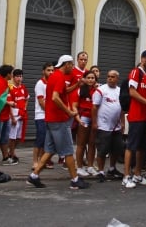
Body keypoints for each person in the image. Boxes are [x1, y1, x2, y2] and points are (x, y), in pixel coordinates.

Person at [27, 54, 89, 190]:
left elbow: (63, 91)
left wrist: (77, 84)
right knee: (67, 150)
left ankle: (34, 176)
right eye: (71, 65)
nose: (72, 67)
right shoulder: (60, 77)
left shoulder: (54, 76)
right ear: (66, 64)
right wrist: (68, 111)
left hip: (51, 119)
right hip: (59, 120)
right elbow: (55, 97)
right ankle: (75, 180)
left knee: (49, 150)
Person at [121, 49, 146, 189]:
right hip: (136, 115)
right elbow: (132, 92)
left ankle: (137, 174)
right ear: (143, 59)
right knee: (131, 146)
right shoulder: (136, 72)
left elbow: (145, 94)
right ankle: (126, 177)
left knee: (142, 147)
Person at [93, 69, 125, 181]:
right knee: (102, 149)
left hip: (116, 126)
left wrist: (123, 123)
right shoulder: (101, 90)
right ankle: (101, 171)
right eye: (108, 76)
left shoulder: (120, 91)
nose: (110, 78)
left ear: (117, 78)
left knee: (116, 149)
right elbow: (95, 107)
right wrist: (95, 122)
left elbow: (121, 109)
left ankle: (112, 168)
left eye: (112, 77)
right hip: (103, 126)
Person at [74, 70, 98, 177]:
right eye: (88, 78)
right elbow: (74, 105)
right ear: (84, 79)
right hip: (84, 118)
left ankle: (90, 166)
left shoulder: (98, 90)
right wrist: (78, 119)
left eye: (92, 78)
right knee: (81, 144)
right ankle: (79, 167)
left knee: (92, 144)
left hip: (94, 119)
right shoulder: (80, 90)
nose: (90, 80)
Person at [33, 62, 54, 171]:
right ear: (43, 71)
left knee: (47, 140)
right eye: (48, 70)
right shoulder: (40, 84)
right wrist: (50, 112)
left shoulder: (51, 83)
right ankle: (35, 162)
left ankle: (42, 161)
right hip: (41, 116)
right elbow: (41, 102)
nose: (50, 72)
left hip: (49, 116)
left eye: (52, 70)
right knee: (40, 139)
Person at [7, 69, 28, 164]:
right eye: (17, 76)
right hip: (14, 116)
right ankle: (11, 154)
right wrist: (12, 117)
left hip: (21, 115)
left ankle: (12, 151)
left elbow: (27, 98)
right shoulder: (10, 88)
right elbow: (9, 104)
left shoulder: (23, 88)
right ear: (13, 77)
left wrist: (24, 108)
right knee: (12, 137)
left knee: (18, 137)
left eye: (20, 76)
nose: (19, 78)